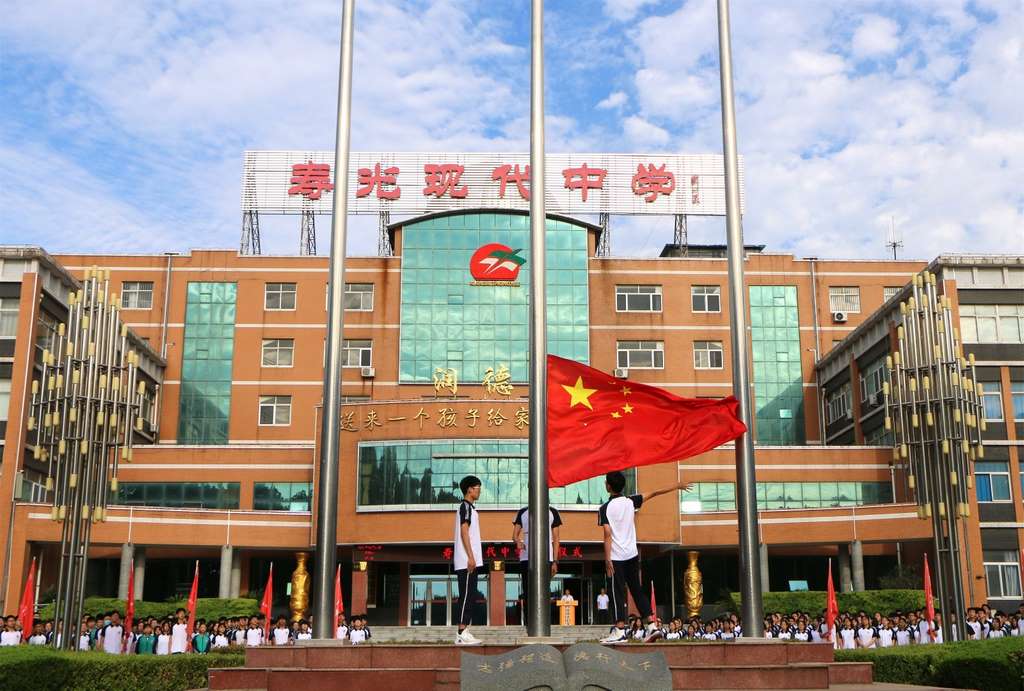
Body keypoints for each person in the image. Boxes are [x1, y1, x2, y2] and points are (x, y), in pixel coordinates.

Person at [597, 471, 690, 636]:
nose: (605, 484)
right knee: (637, 590)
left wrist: (607, 559)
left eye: (606, 482)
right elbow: (654, 492)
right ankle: (652, 625)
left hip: (616, 557)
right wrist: (676, 486)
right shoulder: (630, 501)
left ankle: (619, 630)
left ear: (609, 486)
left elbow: (607, 534)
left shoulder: (604, 508)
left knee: (617, 592)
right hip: (632, 555)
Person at [512, 503, 562, 618]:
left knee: (543, 590)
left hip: (546, 557)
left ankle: (544, 620)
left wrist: (555, 561)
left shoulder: (552, 512)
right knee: (528, 591)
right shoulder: (522, 512)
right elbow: (514, 535)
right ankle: (529, 621)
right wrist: (518, 542)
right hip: (526, 558)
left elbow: (556, 538)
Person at [453, 475, 484, 646]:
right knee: (466, 596)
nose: (479, 491)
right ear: (469, 489)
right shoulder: (465, 506)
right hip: (467, 561)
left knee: (470, 595)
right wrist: (471, 557)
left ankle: (464, 631)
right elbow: (464, 531)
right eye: (478, 488)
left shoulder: (471, 508)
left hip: (471, 560)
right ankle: (461, 632)